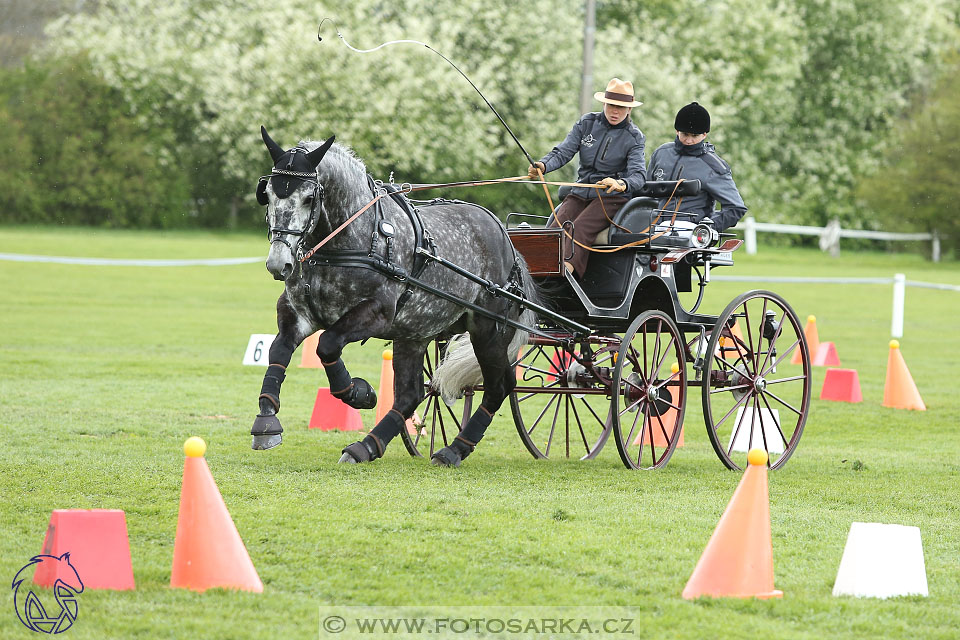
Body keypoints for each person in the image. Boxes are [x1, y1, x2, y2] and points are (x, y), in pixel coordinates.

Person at [528, 78, 646, 277]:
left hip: (610, 198)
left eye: (621, 107)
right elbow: (563, 152)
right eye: (611, 106)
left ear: (629, 110)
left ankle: (563, 279)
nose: (615, 111)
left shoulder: (634, 137)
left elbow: (639, 176)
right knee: (556, 227)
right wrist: (543, 165)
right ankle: (535, 275)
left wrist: (620, 184)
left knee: (578, 228)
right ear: (604, 104)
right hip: (580, 191)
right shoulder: (586, 123)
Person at [646, 102, 747, 231]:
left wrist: (707, 228)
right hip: (653, 230)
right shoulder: (661, 153)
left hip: (690, 233)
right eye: (685, 134)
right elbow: (646, 194)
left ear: (704, 135)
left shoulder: (714, 166)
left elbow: (736, 208)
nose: (688, 141)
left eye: (694, 136)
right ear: (677, 131)